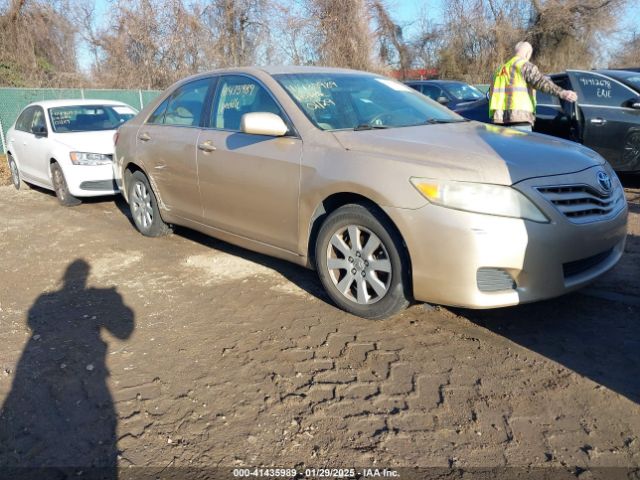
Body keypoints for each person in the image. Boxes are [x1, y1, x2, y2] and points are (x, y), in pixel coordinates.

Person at [489, 41, 578, 131]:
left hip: (499, 120)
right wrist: (562, 93)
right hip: (519, 119)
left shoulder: (499, 70)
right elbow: (541, 82)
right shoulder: (524, 66)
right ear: (528, 54)